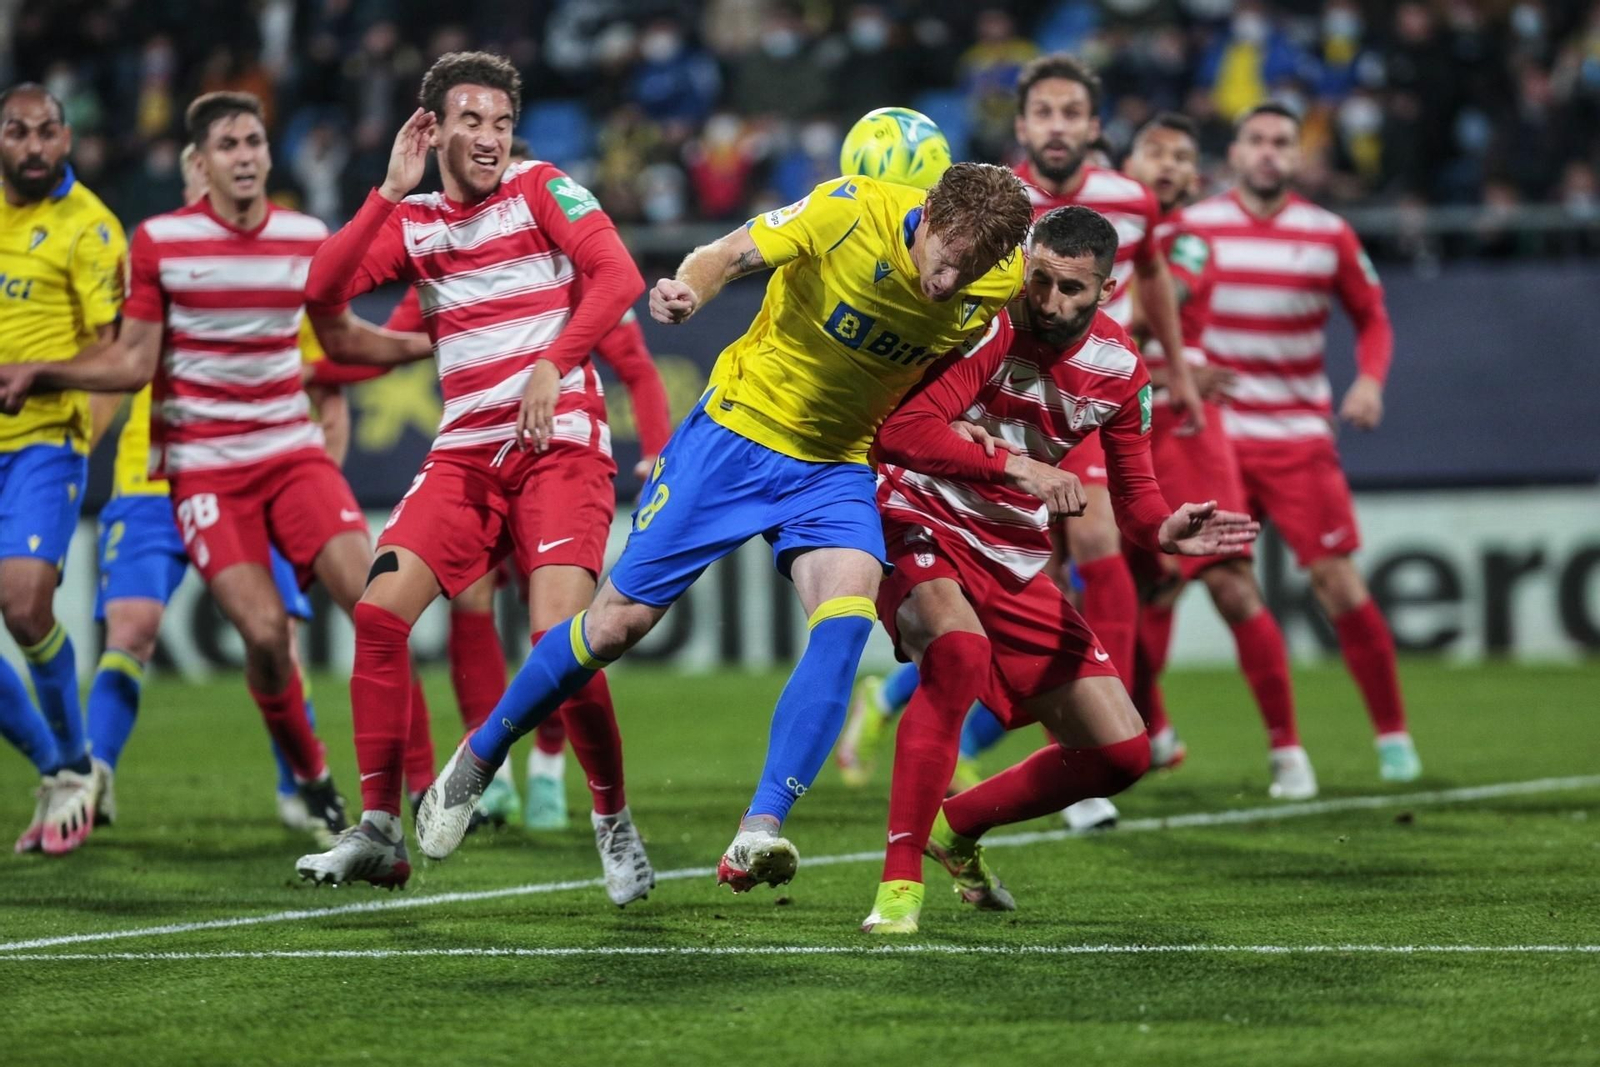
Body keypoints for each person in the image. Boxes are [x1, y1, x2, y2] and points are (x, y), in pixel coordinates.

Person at [415, 161, 1034, 898]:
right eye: (945, 261)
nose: (946, 284)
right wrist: (688, 292)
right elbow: (726, 254)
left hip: (834, 464)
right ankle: (480, 756)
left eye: (969, 273)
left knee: (845, 617)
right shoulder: (849, 210)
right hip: (735, 437)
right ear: (928, 214)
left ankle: (760, 828)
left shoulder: (1001, 276)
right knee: (615, 626)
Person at [0, 90, 435, 849]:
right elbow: (133, 361)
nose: (243, 157)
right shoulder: (159, 244)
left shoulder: (303, 235)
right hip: (200, 471)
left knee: (377, 604)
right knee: (261, 637)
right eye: (227, 146)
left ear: (269, 155)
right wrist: (45, 372)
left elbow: (338, 340)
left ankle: (414, 796)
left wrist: (431, 343)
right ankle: (299, 774)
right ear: (200, 165)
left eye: (253, 142)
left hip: (290, 456)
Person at [295, 52, 653, 903]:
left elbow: (620, 276)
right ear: (434, 130)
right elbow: (321, 291)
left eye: (500, 122)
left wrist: (552, 363)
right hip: (466, 456)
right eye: (471, 121)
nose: (490, 138)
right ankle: (380, 828)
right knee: (380, 616)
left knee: (558, 648)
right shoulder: (414, 222)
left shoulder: (545, 190)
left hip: (560, 447)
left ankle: (612, 819)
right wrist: (386, 189)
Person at [861, 206, 1258, 933]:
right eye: (1039, 279)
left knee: (1121, 751)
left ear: (1105, 291)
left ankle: (959, 827)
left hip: (1009, 550)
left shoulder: (1123, 371)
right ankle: (898, 884)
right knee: (955, 655)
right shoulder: (991, 320)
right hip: (915, 513)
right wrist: (1020, 467)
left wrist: (1164, 529)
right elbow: (902, 432)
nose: (1049, 301)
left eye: (1071, 289)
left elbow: (1136, 496)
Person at [374, 139, 674, 834]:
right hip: (478, 458)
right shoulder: (450, 256)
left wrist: (657, 449)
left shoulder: (570, 264)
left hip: (557, 459)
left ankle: (546, 767)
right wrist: (315, 369)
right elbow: (388, 342)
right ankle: (495, 773)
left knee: (556, 630)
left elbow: (636, 366)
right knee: (470, 597)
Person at [86, 143, 361, 839]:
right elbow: (115, 370)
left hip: (255, 481)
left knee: (277, 643)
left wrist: (312, 484)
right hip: (149, 482)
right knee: (132, 628)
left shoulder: (275, 271)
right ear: (189, 181)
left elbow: (327, 393)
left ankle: (301, 785)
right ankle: (90, 777)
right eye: (197, 175)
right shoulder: (147, 265)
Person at [1178, 103, 1421, 782]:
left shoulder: (1327, 233)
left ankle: (1393, 737)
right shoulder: (1196, 229)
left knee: (1336, 580)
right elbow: (1165, 312)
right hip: (1215, 434)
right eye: (1256, 140)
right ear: (1235, 150)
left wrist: (1370, 381)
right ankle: (1273, 746)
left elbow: (1372, 316)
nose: (1267, 153)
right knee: (1189, 584)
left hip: (1296, 432)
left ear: (1298, 156)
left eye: (1281, 142)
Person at [1118, 111, 1314, 799]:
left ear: (1195, 175)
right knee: (1139, 587)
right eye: (1154, 151)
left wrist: (1165, 368)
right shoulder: (1107, 232)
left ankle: (1288, 749)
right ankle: (1151, 729)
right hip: (1121, 425)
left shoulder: (1188, 240)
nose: (1168, 165)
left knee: (1229, 581)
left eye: (1181, 156)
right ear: (1129, 164)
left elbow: (1144, 311)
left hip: (1186, 428)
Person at [0, 82, 124, 854]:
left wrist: (41, 376)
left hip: (45, 439)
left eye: (48, 132)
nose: (35, 146)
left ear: (67, 138)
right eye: (18, 133)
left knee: (22, 603)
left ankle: (76, 764)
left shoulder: (91, 228)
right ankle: (60, 768)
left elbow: (115, 354)